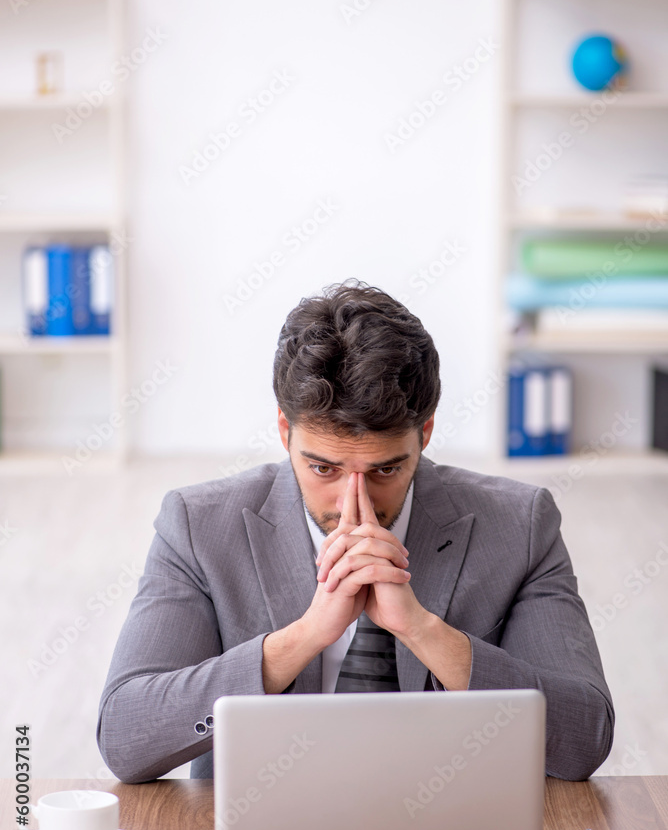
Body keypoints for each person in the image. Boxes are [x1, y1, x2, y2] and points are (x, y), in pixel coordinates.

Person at [97, 281, 614, 784]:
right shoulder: (198, 525)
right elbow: (125, 736)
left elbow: (584, 738)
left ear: (425, 433)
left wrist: (424, 631)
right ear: (285, 430)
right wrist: (304, 637)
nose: (353, 501)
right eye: (324, 468)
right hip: (266, 819)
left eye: (386, 469)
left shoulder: (521, 524)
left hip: (452, 817)